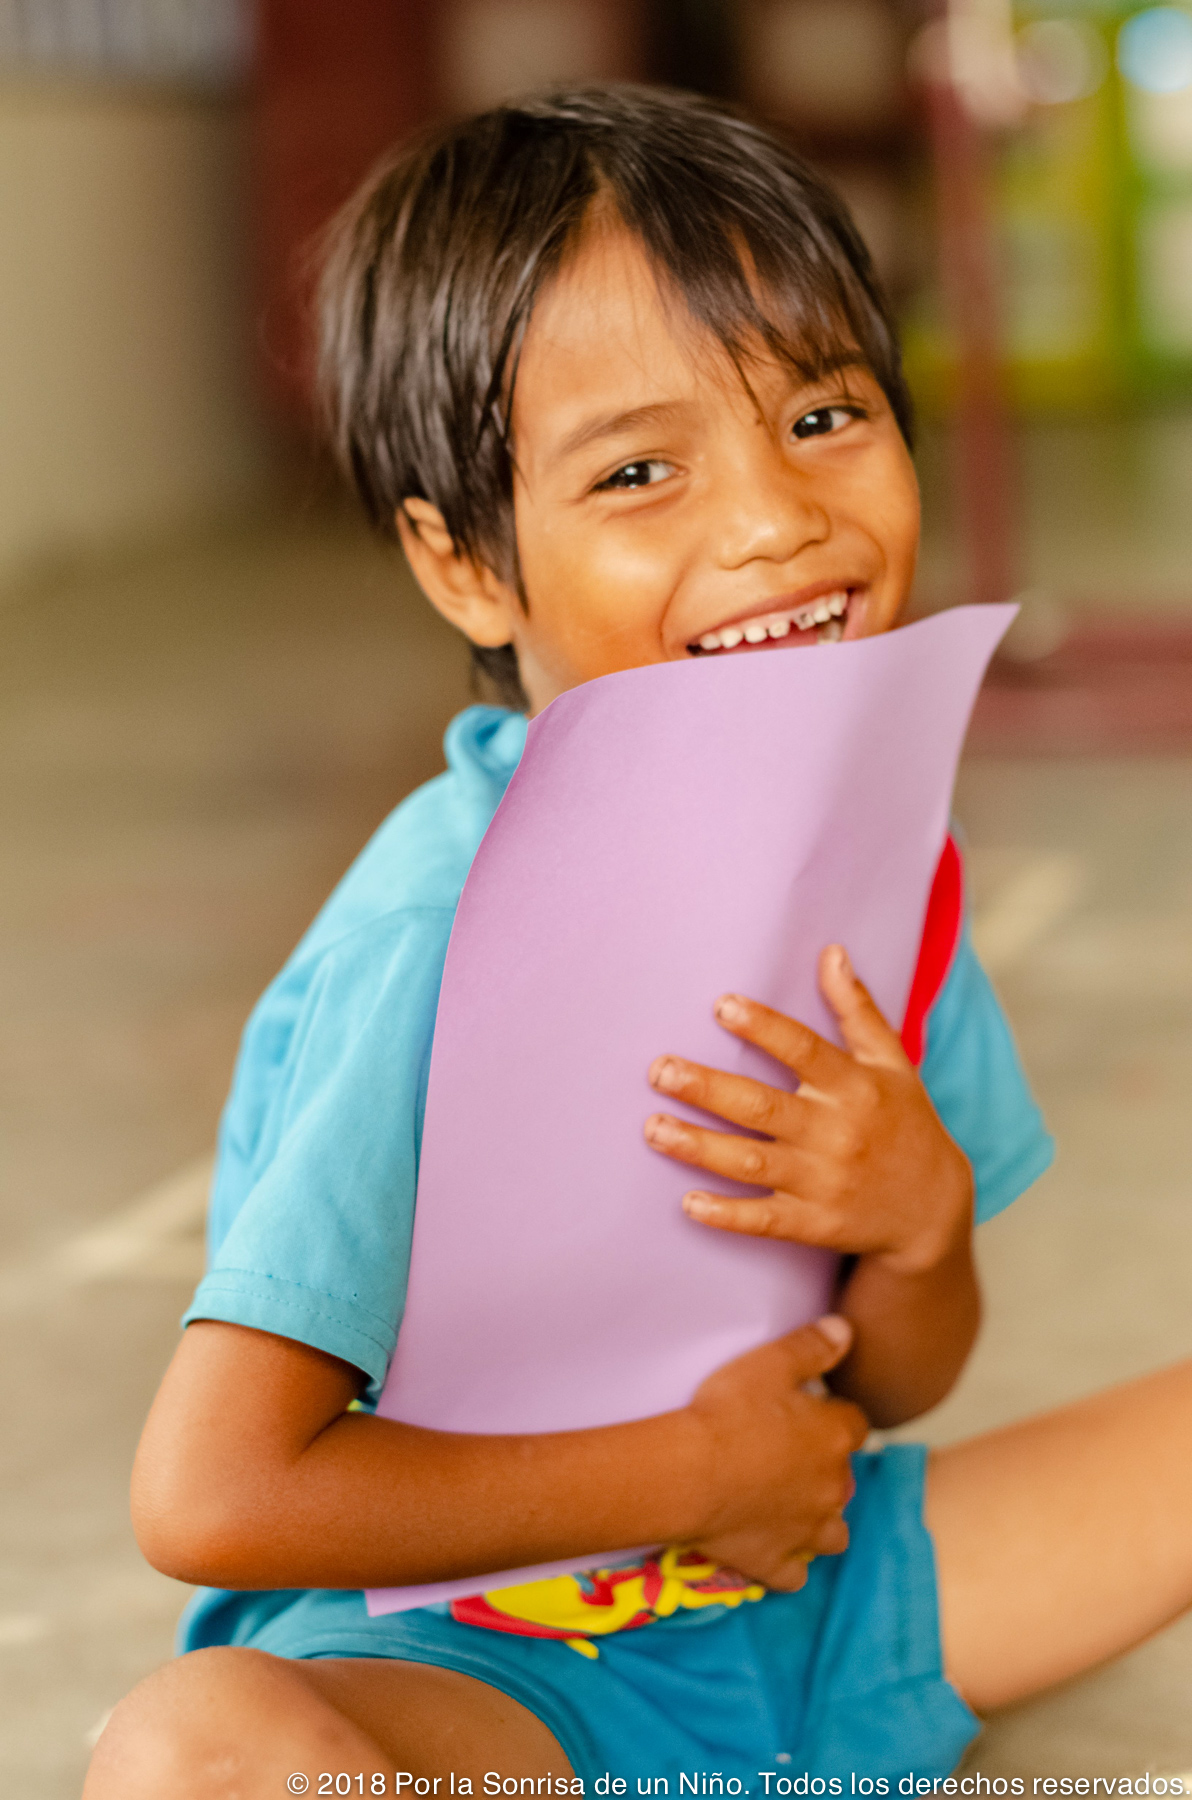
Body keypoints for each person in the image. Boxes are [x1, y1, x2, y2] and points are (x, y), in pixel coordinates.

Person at [84, 87, 1192, 1798]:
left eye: (824, 414)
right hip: (471, 1661)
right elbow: (216, 1497)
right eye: (640, 470)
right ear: (466, 564)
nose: (772, 523)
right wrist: (683, 1476)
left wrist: (919, 1228)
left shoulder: (880, 850)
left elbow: (890, 1389)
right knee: (191, 1751)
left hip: (821, 1598)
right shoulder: (434, 945)